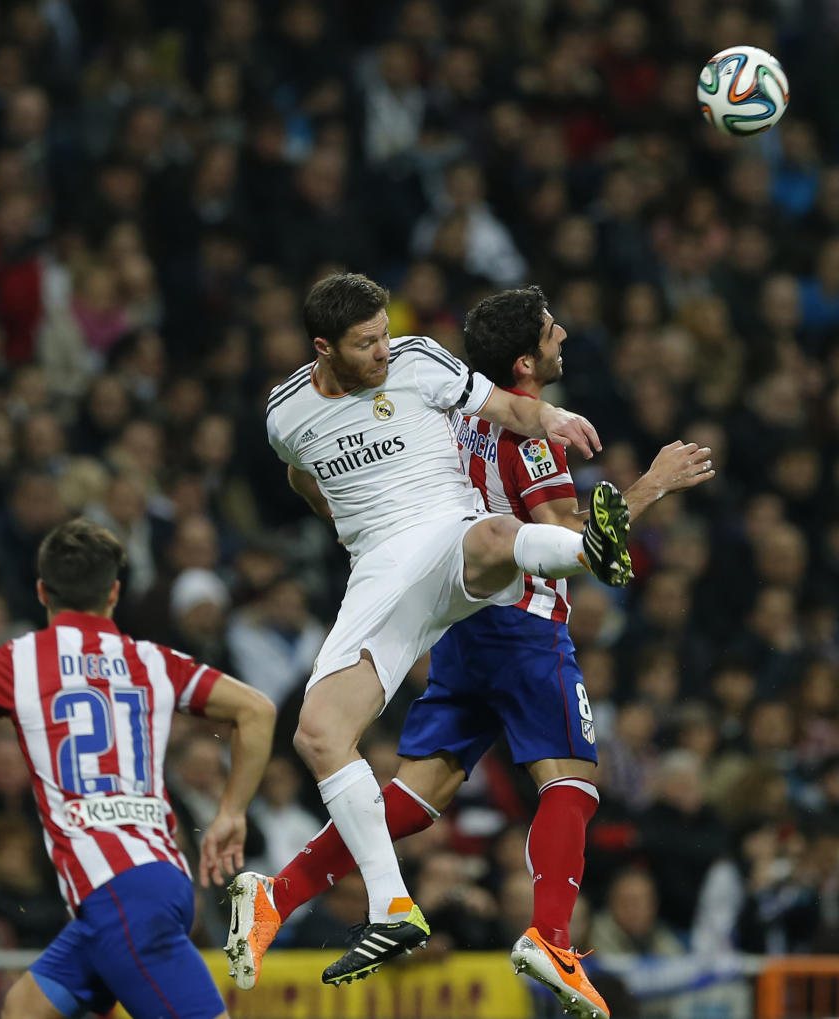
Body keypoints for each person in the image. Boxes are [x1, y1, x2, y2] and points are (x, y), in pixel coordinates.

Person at [227, 285, 715, 1016]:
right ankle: (550, 936)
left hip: (452, 617)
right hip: (517, 616)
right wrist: (650, 487)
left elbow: (348, 472)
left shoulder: (450, 416)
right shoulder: (527, 434)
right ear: (526, 359)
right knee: (573, 780)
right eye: (553, 333)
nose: (564, 338)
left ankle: (279, 894)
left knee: (415, 796)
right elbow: (557, 520)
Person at [0, 518, 276, 1019]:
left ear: (42, 591)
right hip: (148, 881)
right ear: (114, 592)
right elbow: (257, 710)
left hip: (119, 894)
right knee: (23, 1008)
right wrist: (231, 811)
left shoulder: (17, 661)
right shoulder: (151, 660)